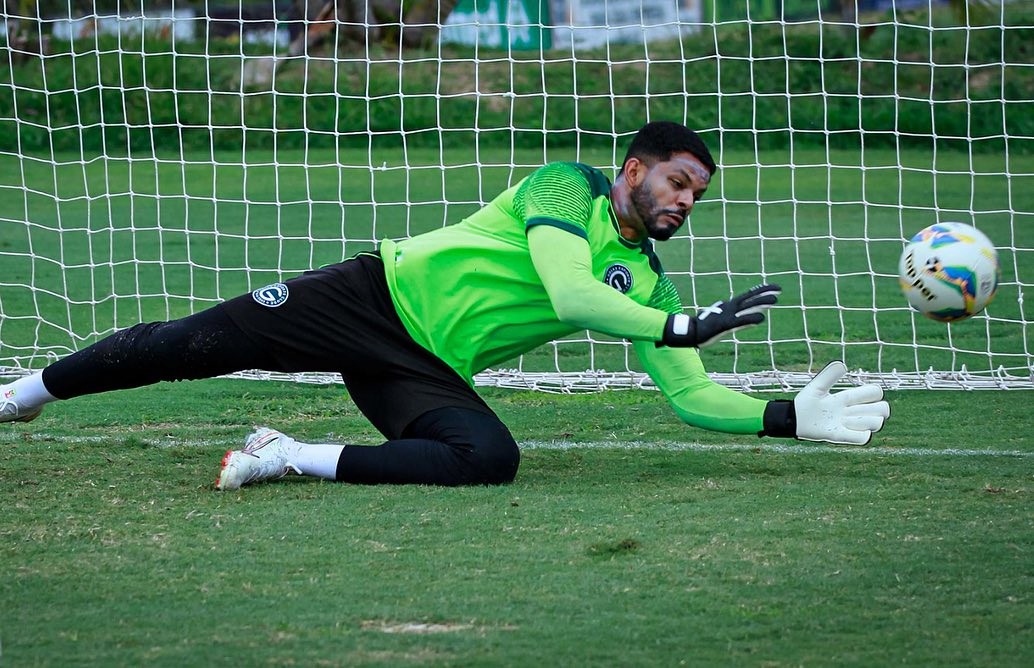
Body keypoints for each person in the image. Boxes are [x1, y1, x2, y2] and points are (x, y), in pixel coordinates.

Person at [0, 121, 890, 490]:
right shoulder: (563, 187)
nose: (685, 200)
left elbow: (691, 395)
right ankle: (24, 391)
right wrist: (681, 324)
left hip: (422, 366)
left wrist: (783, 418)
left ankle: (288, 456)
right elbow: (567, 290)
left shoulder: (650, 284)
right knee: (192, 343)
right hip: (369, 297)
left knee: (488, 457)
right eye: (677, 181)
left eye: (697, 194)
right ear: (633, 170)